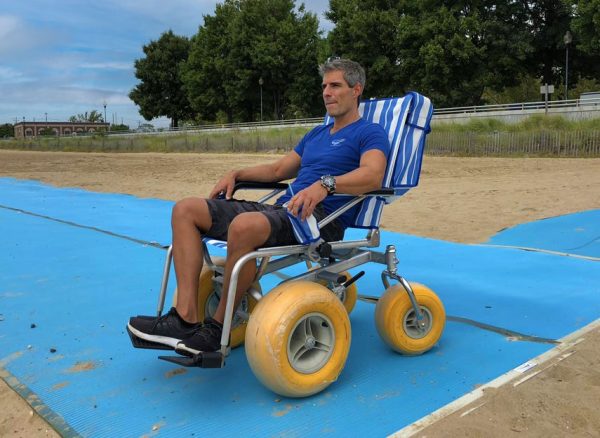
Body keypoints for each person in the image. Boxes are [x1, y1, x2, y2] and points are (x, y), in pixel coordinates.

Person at [127, 58, 390, 355]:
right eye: (324, 86)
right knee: (185, 210)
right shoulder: (317, 134)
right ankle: (185, 318)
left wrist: (325, 185)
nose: (326, 92)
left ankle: (216, 332)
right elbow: (279, 171)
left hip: (322, 218)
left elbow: (372, 174)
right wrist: (236, 174)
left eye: (335, 85)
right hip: (285, 211)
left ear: (356, 90)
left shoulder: (370, 132)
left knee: (244, 226)